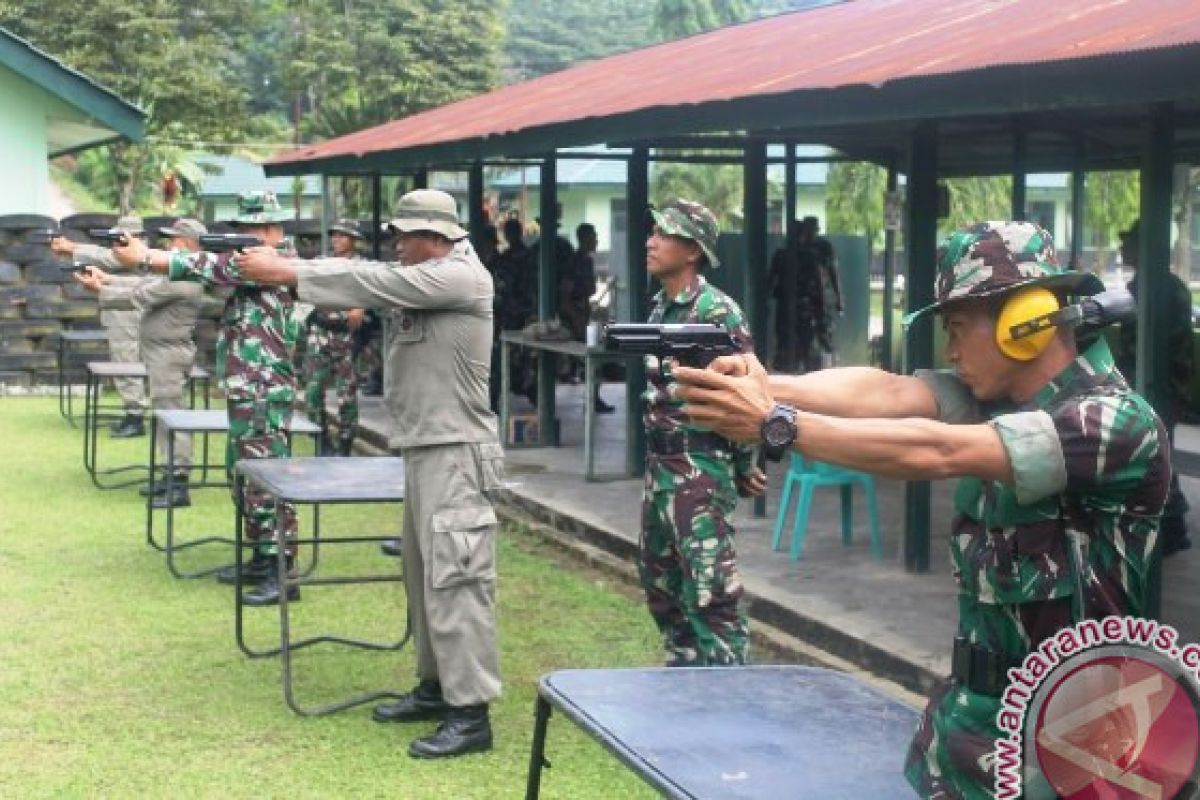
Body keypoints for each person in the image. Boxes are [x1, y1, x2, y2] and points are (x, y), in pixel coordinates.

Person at [673, 221, 1170, 799]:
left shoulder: (1112, 424)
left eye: (959, 327)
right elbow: (887, 392)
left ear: (1026, 325)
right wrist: (769, 382)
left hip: (1069, 750)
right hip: (972, 730)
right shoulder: (997, 397)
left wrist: (775, 424)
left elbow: (937, 450)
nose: (951, 349)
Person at [235, 189, 503, 760]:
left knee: (457, 579)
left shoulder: (458, 277)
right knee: (422, 575)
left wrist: (284, 269)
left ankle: (471, 712)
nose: (396, 244)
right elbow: (364, 271)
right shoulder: (424, 272)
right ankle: (437, 689)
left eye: (404, 235)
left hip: (455, 451)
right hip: (425, 450)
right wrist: (292, 270)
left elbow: (370, 283)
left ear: (434, 235)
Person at [112, 191, 303, 607]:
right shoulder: (252, 266)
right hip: (248, 388)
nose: (244, 236)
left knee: (266, 476)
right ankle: (261, 555)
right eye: (241, 228)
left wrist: (149, 257)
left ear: (274, 230)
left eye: (253, 229)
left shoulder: (274, 264)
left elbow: (204, 264)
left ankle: (280, 568)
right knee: (244, 473)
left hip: (263, 391)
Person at [641, 198, 766, 667]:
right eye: (652, 232)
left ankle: (728, 692)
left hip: (700, 467)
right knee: (661, 582)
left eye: (663, 234)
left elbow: (747, 388)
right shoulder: (659, 308)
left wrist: (746, 464)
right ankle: (684, 674)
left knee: (711, 588)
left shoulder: (717, 312)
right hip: (661, 467)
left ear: (692, 250)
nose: (651, 241)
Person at [71, 219, 207, 508]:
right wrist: (107, 279)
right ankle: (169, 473)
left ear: (187, 244)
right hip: (162, 353)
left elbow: (140, 295)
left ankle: (179, 482)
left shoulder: (185, 278)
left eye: (174, 240)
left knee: (173, 418)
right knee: (163, 417)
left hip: (169, 355)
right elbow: (142, 282)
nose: (168, 245)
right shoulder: (177, 273)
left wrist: (102, 289)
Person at [1115, 219, 1193, 556]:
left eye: (1129, 241)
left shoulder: (1159, 287)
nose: (1123, 247)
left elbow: (1162, 345)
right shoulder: (1147, 284)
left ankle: (1170, 528)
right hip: (1149, 386)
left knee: (1156, 457)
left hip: (1160, 387)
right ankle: (1164, 527)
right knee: (1152, 456)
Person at [53, 215, 150, 437]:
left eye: (119, 237)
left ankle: (134, 416)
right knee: (126, 360)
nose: (115, 243)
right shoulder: (136, 253)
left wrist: (72, 247)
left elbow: (110, 259)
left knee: (126, 361)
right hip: (124, 314)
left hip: (127, 316)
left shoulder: (136, 253)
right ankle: (133, 412)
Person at [303, 219, 365, 456]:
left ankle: (346, 442)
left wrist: (361, 306)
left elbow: (373, 289)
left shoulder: (361, 266)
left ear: (353, 240)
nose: (337, 239)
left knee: (346, 393)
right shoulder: (322, 263)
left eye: (343, 235)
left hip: (345, 336)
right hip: (320, 332)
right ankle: (321, 440)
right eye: (335, 235)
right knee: (312, 390)